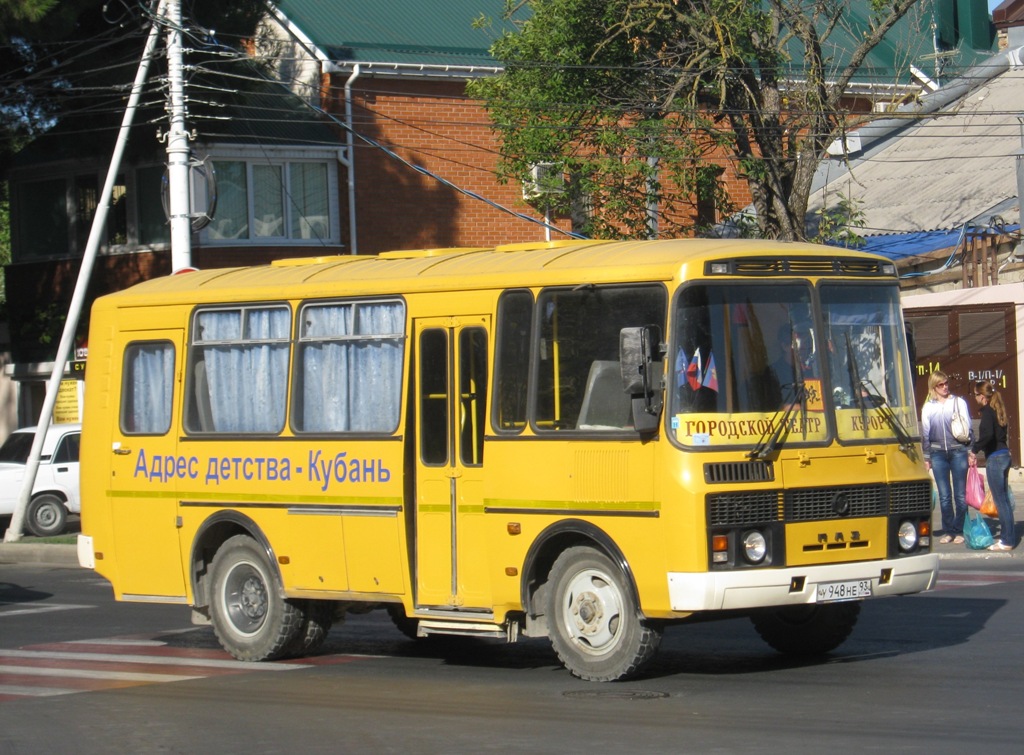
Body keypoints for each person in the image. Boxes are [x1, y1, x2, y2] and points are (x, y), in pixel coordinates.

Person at [921, 370, 971, 543]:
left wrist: (970, 451)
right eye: (940, 384)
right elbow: (925, 433)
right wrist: (927, 457)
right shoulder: (928, 407)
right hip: (937, 452)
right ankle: (948, 530)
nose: (945, 387)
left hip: (958, 450)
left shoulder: (958, 402)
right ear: (933, 387)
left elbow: (968, 427)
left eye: (946, 383)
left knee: (960, 495)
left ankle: (960, 530)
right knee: (944, 495)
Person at [969, 380, 1017, 551]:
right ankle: (1009, 537)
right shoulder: (998, 409)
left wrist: (974, 450)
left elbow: (988, 434)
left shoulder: (988, 412)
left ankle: (1006, 540)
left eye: (975, 395)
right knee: (1003, 501)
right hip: (1004, 455)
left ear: (982, 396)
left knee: (1000, 501)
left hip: (995, 459)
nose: (974, 398)